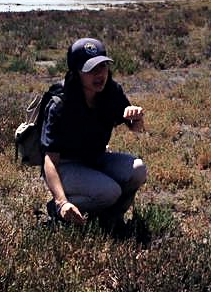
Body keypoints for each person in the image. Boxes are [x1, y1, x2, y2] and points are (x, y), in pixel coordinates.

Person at [41, 37, 148, 226]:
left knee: (138, 170)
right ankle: (58, 210)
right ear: (76, 73)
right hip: (66, 165)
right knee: (110, 191)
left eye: (103, 66)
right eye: (91, 69)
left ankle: (112, 218)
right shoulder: (61, 104)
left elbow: (135, 128)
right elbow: (50, 160)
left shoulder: (111, 91)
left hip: (95, 158)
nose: (99, 74)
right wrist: (61, 201)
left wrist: (136, 119)